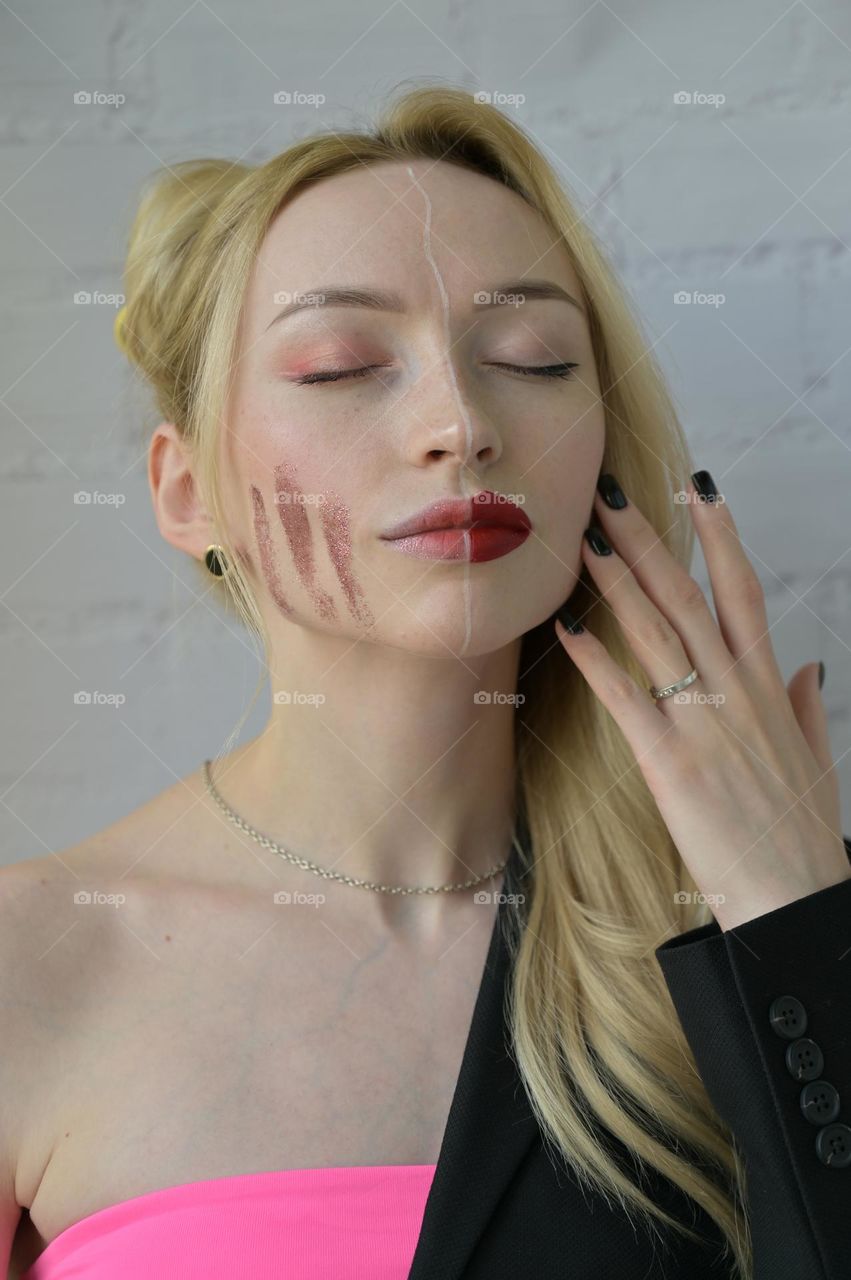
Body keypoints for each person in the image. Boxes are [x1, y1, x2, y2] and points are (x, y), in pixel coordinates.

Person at [2, 83, 849, 1280]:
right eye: (343, 366)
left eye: (532, 358)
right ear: (187, 489)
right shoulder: (29, 959)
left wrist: (793, 934)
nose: (461, 422)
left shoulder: (748, 928)